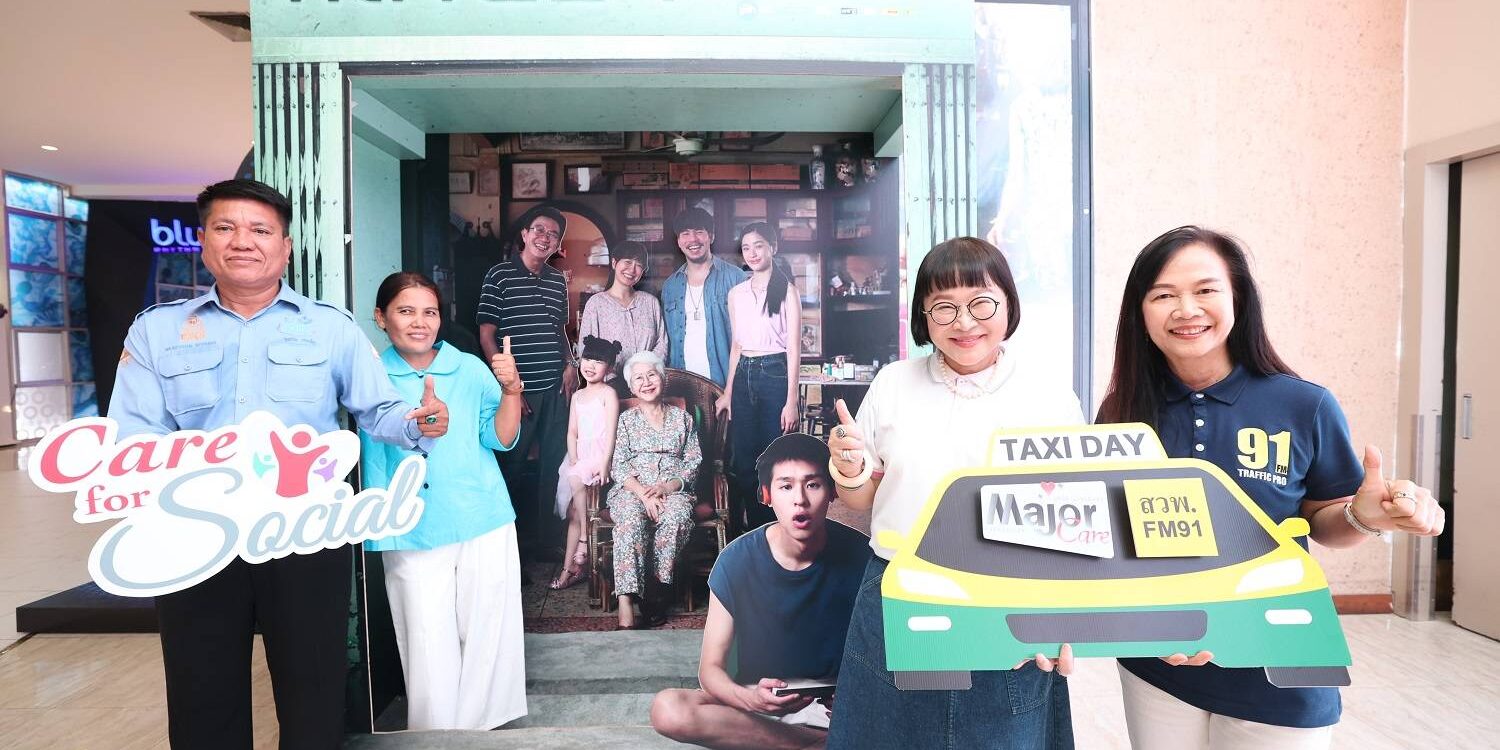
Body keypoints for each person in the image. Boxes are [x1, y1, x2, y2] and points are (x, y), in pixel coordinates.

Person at [108, 179, 449, 749]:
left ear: (285, 247)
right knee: (200, 688)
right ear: (203, 241)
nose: (243, 241)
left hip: (305, 530)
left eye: (260, 230)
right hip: (195, 533)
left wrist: (420, 422)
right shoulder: (156, 330)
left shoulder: (330, 327)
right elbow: (134, 432)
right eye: (226, 227)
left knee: (312, 685)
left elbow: (379, 410)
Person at [1095, 226, 1445, 749]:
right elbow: (1112, 541)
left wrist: (1363, 516)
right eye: (1163, 295)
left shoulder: (1304, 404)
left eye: (1206, 290)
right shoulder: (1119, 413)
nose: (1186, 309)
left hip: (1280, 657)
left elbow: (1325, 520)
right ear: (1138, 313)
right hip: (1162, 660)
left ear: (1239, 298)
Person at [823, 237, 1079, 749]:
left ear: (1008, 304)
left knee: (999, 734)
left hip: (1009, 595)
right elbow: (862, 500)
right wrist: (848, 470)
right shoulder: (894, 383)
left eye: (981, 302)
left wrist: (1063, 615)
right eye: (944, 306)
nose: (964, 322)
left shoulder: (1049, 393)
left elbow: (1075, 518)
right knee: (894, 736)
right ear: (923, 314)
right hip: (902, 588)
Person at [362, 272, 527, 730]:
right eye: (406, 311)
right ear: (381, 318)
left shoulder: (469, 367)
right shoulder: (369, 376)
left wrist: (512, 390)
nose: (420, 322)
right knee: (425, 635)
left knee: (488, 628)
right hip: (408, 520)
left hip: (482, 512)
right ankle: (436, 735)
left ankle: (480, 731)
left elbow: (500, 437)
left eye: (429, 312)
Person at [650, 433, 872, 750]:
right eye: (786, 486)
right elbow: (710, 671)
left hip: (839, 708)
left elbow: (890, 655)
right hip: (759, 713)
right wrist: (752, 699)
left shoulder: (863, 556)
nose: (800, 499)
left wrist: (861, 693)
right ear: (766, 495)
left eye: (812, 484)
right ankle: (814, 745)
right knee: (669, 709)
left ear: (832, 491)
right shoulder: (736, 560)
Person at [477, 204, 576, 561]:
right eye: (539, 230)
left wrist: (569, 363)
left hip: (555, 388)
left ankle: (547, 542)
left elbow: (560, 331)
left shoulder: (557, 281)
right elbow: (486, 335)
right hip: (517, 392)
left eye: (553, 234)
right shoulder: (499, 275)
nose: (545, 237)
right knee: (512, 468)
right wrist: (509, 388)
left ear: (558, 244)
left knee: (553, 466)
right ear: (525, 234)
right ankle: (508, 551)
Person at [608, 350, 702, 629]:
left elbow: (693, 462)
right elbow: (618, 465)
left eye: (652, 375)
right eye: (638, 378)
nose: (646, 382)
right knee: (629, 520)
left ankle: (655, 591)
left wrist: (665, 487)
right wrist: (643, 493)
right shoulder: (626, 420)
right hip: (632, 489)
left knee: (675, 518)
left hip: (672, 490)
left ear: (663, 379)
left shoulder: (683, 418)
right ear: (631, 386)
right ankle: (626, 601)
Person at [718, 222, 802, 530]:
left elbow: (793, 348)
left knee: (774, 461)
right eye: (746, 248)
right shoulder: (736, 294)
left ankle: (776, 530)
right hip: (743, 375)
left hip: (774, 374)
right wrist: (728, 392)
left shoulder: (787, 292)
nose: (752, 253)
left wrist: (791, 401)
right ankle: (754, 531)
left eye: (759, 246)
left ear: (773, 248)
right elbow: (736, 346)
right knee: (743, 462)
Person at [550, 335, 622, 590]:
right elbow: (572, 432)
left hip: (601, 456)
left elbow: (611, 433)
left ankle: (584, 539)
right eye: (588, 359)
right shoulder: (578, 396)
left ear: (609, 368)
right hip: (580, 456)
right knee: (573, 513)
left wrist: (605, 462)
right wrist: (573, 458)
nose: (591, 365)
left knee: (574, 479)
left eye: (599, 361)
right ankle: (569, 569)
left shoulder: (608, 393)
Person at [661, 207, 747, 386]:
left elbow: (748, 335)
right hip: (681, 382)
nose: (693, 239)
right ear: (678, 241)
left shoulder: (736, 278)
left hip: (726, 383)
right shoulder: (670, 286)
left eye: (699, 232)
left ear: (711, 236)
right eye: (685, 233)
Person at [578, 240, 668, 388]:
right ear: (614, 263)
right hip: (608, 387)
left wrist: (644, 374)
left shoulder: (650, 302)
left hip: (647, 385)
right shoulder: (596, 304)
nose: (632, 269)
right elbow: (586, 350)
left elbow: (662, 343)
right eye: (627, 262)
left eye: (639, 265)